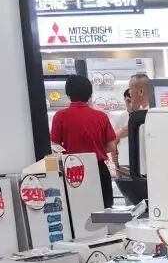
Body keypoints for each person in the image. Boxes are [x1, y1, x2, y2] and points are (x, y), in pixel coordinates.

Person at [50, 75, 118, 208]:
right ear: (90, 94)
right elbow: (111, 147)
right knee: (103, 211)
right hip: (98, 169)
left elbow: (55, 147)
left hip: (72, 170)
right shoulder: (101, 116)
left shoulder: (60, 116)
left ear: (68, 93)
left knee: (77, 210)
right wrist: (96, 148)